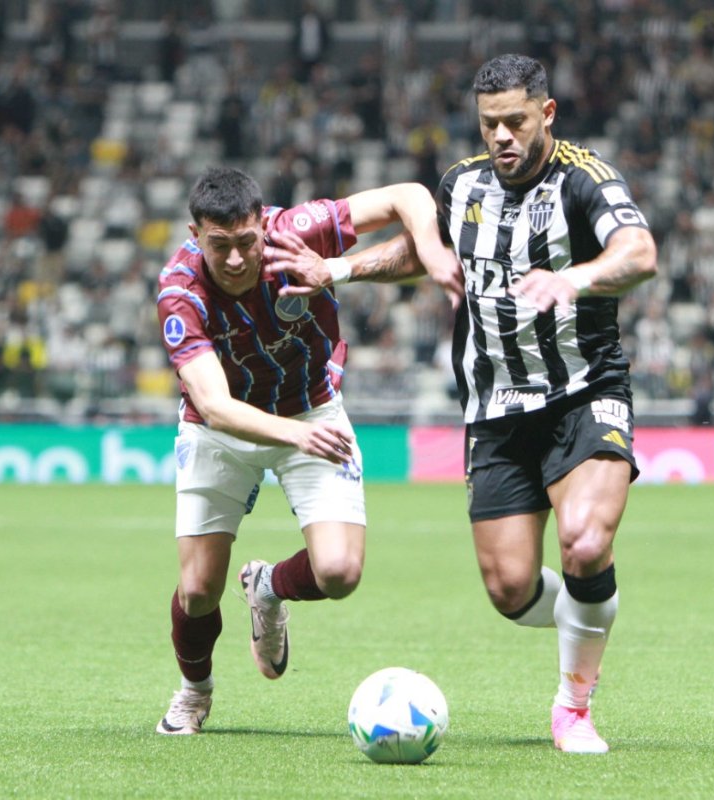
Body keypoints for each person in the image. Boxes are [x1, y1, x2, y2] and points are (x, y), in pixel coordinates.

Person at [153, 166, 460, 735]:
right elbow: (215, 406)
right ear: (196, 235)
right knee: (197, 591)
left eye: (248, 241)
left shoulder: (298, 231)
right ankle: (194, 692)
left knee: (340, 572)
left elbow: (408, 196)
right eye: (221, 246)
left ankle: (267, 587)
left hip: (310, 407)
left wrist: (431, 250)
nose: (239, 258)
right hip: (221, 429)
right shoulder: (180, 293)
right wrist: (293, 434)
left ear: (262, 224)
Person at [435, 54, 658, 753]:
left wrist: (578, 278)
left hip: (583, 392)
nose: (501, 136)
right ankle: (594, 612)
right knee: (508, 588)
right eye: (489, 124)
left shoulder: (585, 179)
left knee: (586, 541)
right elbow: (428, 257)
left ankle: (574, 706)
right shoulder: (461, 187)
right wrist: (345, 268)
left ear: (547, 115)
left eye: (515, 122)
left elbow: (640, 253)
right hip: (495, 411)